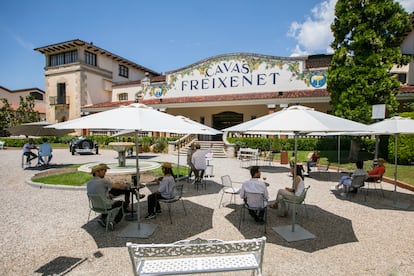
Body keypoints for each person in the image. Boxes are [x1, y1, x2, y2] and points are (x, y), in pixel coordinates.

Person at [86, 163, 132, 229]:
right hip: (104, 206)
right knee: (123, 204)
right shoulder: (102, 181)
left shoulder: (89, 183)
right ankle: (113, 222)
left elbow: (98, 192)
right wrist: (126, 185)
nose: (105, 172)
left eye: (105, 170)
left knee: (108, 200)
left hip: (95, 206)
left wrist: (108, 194)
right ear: (97, 172)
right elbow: (116, 186)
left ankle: (102, 218)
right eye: (103, 170)